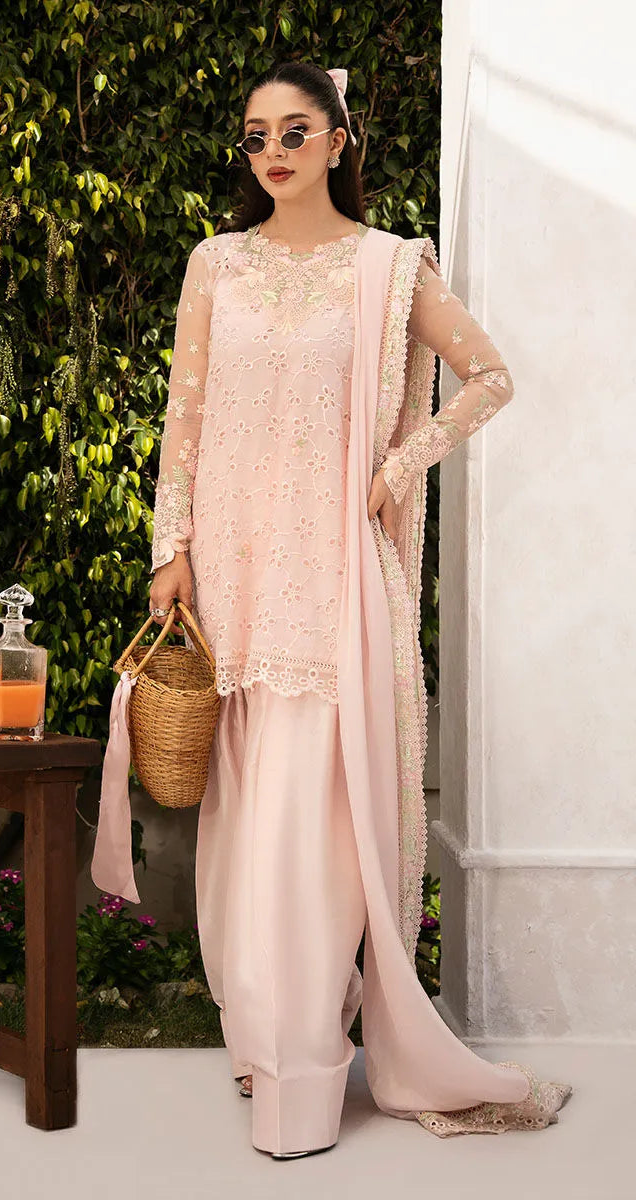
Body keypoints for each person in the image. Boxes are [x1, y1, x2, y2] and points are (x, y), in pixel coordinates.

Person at [115, 60, 572, 1158]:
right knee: (239, 820)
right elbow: (184, 420)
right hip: (231, 571)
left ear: (337, 139)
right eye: (254, 135)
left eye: (293, 130)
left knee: (313, 826)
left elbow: (488, 378)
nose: (270, 151)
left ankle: (306, 1074)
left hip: (332, 580)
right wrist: (166, 552)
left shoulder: (386, 267)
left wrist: (396, 465)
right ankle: (262, 1035)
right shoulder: (215, 264)